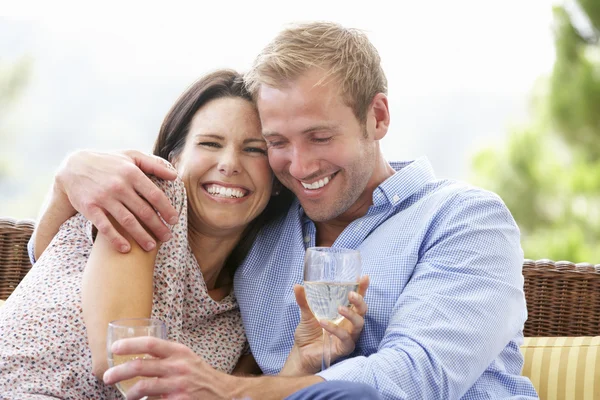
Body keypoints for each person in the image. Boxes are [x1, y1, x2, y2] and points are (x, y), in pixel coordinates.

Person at [27, 22, 539, 399]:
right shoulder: (261, 224)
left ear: (377, 116)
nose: (299, 164)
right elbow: (68, 271)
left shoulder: (464, 219)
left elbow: (413, 378)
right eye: (275, 143)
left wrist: (226, 391)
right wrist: (69, 177)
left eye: (320, 136)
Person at [0, 69, 369, 399]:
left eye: (254, 150)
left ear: (275, 179)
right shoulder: (149, 198)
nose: (229, 164)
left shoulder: (241, 308)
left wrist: (299, 361)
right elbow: (122, 364)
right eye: (210, 144)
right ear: (174, 159)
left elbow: (232, 396)